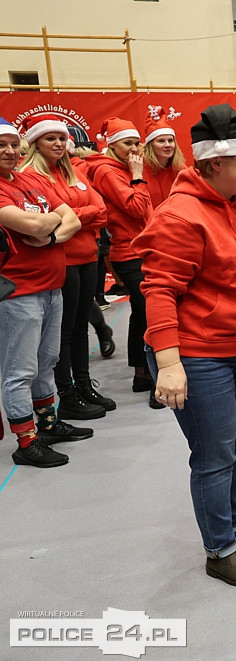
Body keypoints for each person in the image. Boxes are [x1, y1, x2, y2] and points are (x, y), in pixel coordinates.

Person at [133, 103, 236, 587]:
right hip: (197, 354)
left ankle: (230, 525)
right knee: (213, 454)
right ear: (212, 164)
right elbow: (159, 291)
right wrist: (168, 365)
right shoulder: (180, 217)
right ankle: (218, 549)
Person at [0, 116, 90, 468]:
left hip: (52, 286)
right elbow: (36, 221)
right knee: (19, 371)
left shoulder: (29, 182)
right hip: (18, 292)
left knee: (45, 363)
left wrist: (47, 235)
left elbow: (74, 219)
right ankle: (26, 442)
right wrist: (48, 221)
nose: (9, 151)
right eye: (1, 145)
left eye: (12, 144)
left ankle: (47, 425)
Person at [18, 114, 116, 420]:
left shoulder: (73, 171)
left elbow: (102, 212)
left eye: (62, 138)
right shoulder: (30, 176)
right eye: (50, 138)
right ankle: (66, 393)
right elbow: (49, 219)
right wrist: (76, 216)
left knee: (79, 327)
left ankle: (84, 386)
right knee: (63, 332)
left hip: (87, 256)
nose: (58, 143)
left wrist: (74, 216)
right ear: (35, 142)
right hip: (60, 259)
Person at [84, 117, 160, 408]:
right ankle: (153, 377)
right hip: (130, 253)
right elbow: (137, 206)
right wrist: (138, 177)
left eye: (136, 143)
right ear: (112, 144)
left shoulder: (121, 168)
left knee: (140, 314)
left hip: (142, 248)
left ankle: (142, 375)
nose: (134, 149)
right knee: (149, 312)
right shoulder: (107, 171)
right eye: (128, 143)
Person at [140, 110, 186, 208]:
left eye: (170, 140)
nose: (167, 145)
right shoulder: (139, 169)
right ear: (150, 145)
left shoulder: (180, 169)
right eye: (161, 141)